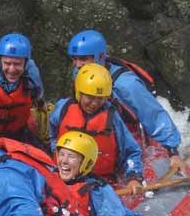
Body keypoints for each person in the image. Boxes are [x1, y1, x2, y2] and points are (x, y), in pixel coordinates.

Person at [67, 29, 183, 171]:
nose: (78, 64)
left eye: (84, 59)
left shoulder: (126, 84)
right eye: (74, 58)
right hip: (99, 133)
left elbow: (153, 114)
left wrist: (173, 152)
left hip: (130, 138)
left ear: (100, 56)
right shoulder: (79, 74)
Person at [49, 63, 144, 194]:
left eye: (100, 99)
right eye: (90, 97)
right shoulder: (62, 109)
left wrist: (134, 177)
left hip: (100, 183)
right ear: (79, 93)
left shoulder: (112, 117)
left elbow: (131, 151)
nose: (94, 103)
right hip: (63, 177)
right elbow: (52, 135)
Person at [54, 131, 156, 216]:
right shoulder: (48, 179)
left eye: (71, 156)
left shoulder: (96, 191)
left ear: (86, 162)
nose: (64, 161)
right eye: (61, 154)